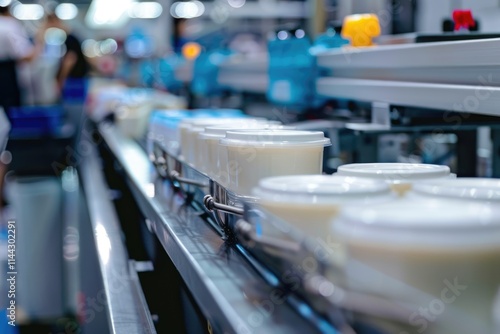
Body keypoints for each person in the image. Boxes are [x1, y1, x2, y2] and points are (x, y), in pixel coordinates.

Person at [44, 13, 89, 99]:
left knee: (73, 108)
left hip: (74, 80)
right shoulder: (66, 38)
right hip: (75, 79)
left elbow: (70, 60)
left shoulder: (69, 38)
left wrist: (61, 79)